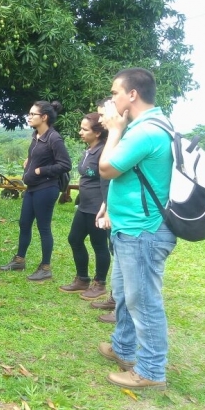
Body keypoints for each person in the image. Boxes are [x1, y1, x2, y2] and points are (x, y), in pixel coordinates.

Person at [97, 68, 174, 390]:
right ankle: (124, 348)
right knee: (126, 295)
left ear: (132, 95)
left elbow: (107, 168)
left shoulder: (145, 131)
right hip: (130, 227)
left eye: (115, 92)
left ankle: (152, 370)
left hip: (143, 231)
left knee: (143, 301)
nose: (112, 99)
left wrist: (115, 131)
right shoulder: (151, 124)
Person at [0, 100, 71, 280]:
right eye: (29, 114)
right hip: (32, 187)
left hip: (46, 188)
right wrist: (29, 162)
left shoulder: (54, 138)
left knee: (43, 227)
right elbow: (38, 155)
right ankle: (19, 260)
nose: (29, 117)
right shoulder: (36, 135)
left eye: (33, 114)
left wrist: (41, 170)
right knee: (24, 223)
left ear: (44, 117)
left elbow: (65, 164)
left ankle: (45, 268)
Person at [59, 112, 110, 299]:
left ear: (97, 133)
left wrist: (105, 207)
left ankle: (100, 283)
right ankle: (82, 279)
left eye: (84, 129)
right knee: (74, 239)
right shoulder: (89, 150)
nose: (80, 132)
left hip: (98, 206)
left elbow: (108, 180)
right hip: (84, 205)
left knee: (99, 244)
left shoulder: (104, 151)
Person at [91, 97, 117, 323]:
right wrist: (105, 203)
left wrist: (110, 208)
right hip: (108, 203)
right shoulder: (112, 140)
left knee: (119, 254)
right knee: (115, 251)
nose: (100, 119)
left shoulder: (120, 140)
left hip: (121, 211)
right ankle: (116, 297)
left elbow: (112, 175)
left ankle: (120, 305)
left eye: (102, 114)